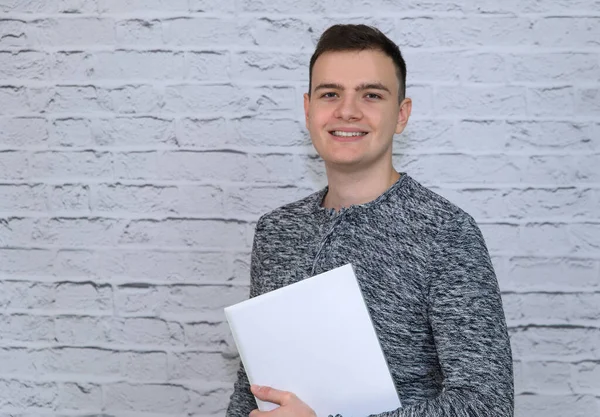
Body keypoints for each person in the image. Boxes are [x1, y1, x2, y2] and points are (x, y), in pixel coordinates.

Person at [226, 24, 514, 417]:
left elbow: (486, 406)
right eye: (331, 94)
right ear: (308, 110)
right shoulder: (276, 231)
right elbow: (253, 382)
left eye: (371, 95)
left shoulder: (446, 233)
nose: (348, 110)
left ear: (402, 114)